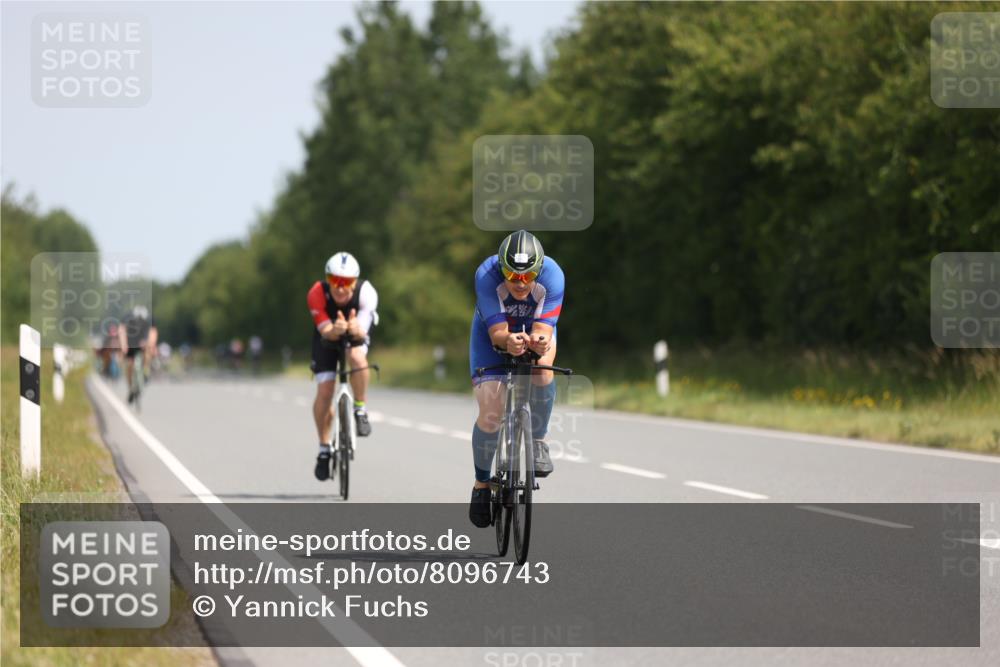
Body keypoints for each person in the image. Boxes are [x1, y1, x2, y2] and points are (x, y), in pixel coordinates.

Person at [467, 230, 564, 528]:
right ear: (500, 266)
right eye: (511, 275)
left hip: (535, 332)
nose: (519, 283)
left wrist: (538, 342)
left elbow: (545, 331)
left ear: (539, 269)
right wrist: (508, 340)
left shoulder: (553, 275)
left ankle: (538, 440)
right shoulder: (486, 274)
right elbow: (497, 334)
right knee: (491, 412)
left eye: (527, 276)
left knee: (542, 372)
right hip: (492, 337)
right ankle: (482, 484)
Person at [307, 251, 379, 481]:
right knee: (326, 390)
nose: (339, 287)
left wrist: (355, 329)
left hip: (355, 331)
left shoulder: (367, 293)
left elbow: (363, 330)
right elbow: (325, 330)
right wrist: (335, 330)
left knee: (357, 357)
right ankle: (324, 449)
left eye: (346, 282)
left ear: (355, 282)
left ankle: (360, 409)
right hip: (327, 336)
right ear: (327, 280)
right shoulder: (316, 293)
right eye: (334, 281)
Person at [118, 305, 151, 404]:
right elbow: (122, 331)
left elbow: (148, 336)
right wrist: (124, 345)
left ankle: (145, 372)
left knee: (147, 354)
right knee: (130, 365)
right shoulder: (128, 321)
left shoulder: (146, 323)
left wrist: (146, 343)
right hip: (131, 344)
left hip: (140, 345)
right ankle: (131, 387)